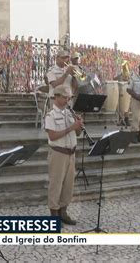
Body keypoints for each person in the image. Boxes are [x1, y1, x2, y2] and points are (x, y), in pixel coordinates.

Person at [45, 86, 83, 225]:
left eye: (69, 98)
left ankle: (63, 211)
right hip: (58, 153)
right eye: (65, 97)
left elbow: (77, 133)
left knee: (68, 185)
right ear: (57, 97)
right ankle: (54, 214)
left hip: (71, 153)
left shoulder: (69, 113)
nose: (68, 100)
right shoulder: (50, 115)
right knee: (56, 184)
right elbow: (53, 136)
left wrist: (78, 125)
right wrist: (71, 128)